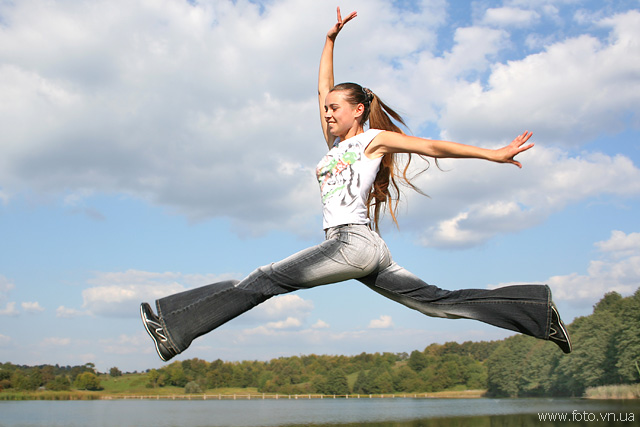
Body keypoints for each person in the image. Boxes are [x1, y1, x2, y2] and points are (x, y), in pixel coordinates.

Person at [140, 7, 572, 362]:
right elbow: (323, 88)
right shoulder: (333, 144)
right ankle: (537, 311)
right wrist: (329, 41)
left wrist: (493, 154)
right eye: (325, 109)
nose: (327, 113)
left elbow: (432, 146)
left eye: (335, 109)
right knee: (435, 301)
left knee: (265, 278)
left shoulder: (372, 140)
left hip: (352, 244)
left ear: (360, 110)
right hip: (362, 248)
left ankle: (173, 327)